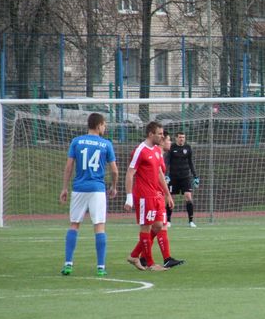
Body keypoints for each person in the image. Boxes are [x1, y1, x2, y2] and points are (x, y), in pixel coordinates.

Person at [59, 113, 119, 277]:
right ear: (99, 125)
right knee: (99, 226)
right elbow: (114, 170)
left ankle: (68, 264)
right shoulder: (106, 144)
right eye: (104, 124)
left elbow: (69, 166)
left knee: (74, 224)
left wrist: (65, 188)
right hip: (97, 189)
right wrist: (113, 186)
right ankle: (100, 267)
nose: (105, 127)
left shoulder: (76, 141)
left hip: (79, 188)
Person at [124, 122, 183, 271]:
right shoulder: (140, 150)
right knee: (146, 228)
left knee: (157, 226)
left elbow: (159, 173)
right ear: (151, 134)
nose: (162, 136)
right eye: (159, 133)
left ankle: (134, 255)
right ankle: (150, 264)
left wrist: (168, 194)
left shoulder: (157, 150)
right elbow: (130, 173)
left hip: (156, 195)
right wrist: (129, 197)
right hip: (144, 196)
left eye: (163, 134)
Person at [166, 131, 199, 227]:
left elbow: (190, 162)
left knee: (188, 196)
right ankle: (168, 221)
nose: (182, 139)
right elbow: (167, 161)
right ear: (176, 138)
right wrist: (166, 174)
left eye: (183, 137)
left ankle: (191, 221)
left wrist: (195, 176)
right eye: (180, 137)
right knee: (170, 198)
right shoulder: (172, 147)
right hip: (173, 177)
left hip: (185, 177)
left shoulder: (188, 148)